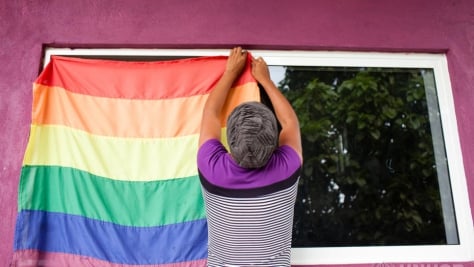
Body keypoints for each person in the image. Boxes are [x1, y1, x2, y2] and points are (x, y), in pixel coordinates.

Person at [197, 47, 303, 267]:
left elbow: (210, 114)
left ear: (230, 140)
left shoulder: (212, 169)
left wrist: (230, 73)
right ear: (274, 142)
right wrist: (265, 80)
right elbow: (290, 123)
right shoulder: (287, 168)